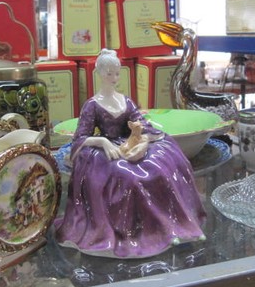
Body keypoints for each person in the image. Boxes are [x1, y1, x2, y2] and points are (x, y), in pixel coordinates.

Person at [54, 48, 206, 258]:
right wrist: (102, 141)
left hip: (128, 143)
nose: (114, 78)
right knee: (125, 176)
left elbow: (141, 123)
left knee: (161, 162)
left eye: (117, 73)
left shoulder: (125, 101)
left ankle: (168, 224)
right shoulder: (92, 105)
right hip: (107, 149)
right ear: (99, 73)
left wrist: (142, 140)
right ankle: (131, 231)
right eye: (109, 73)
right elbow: (79, 138)